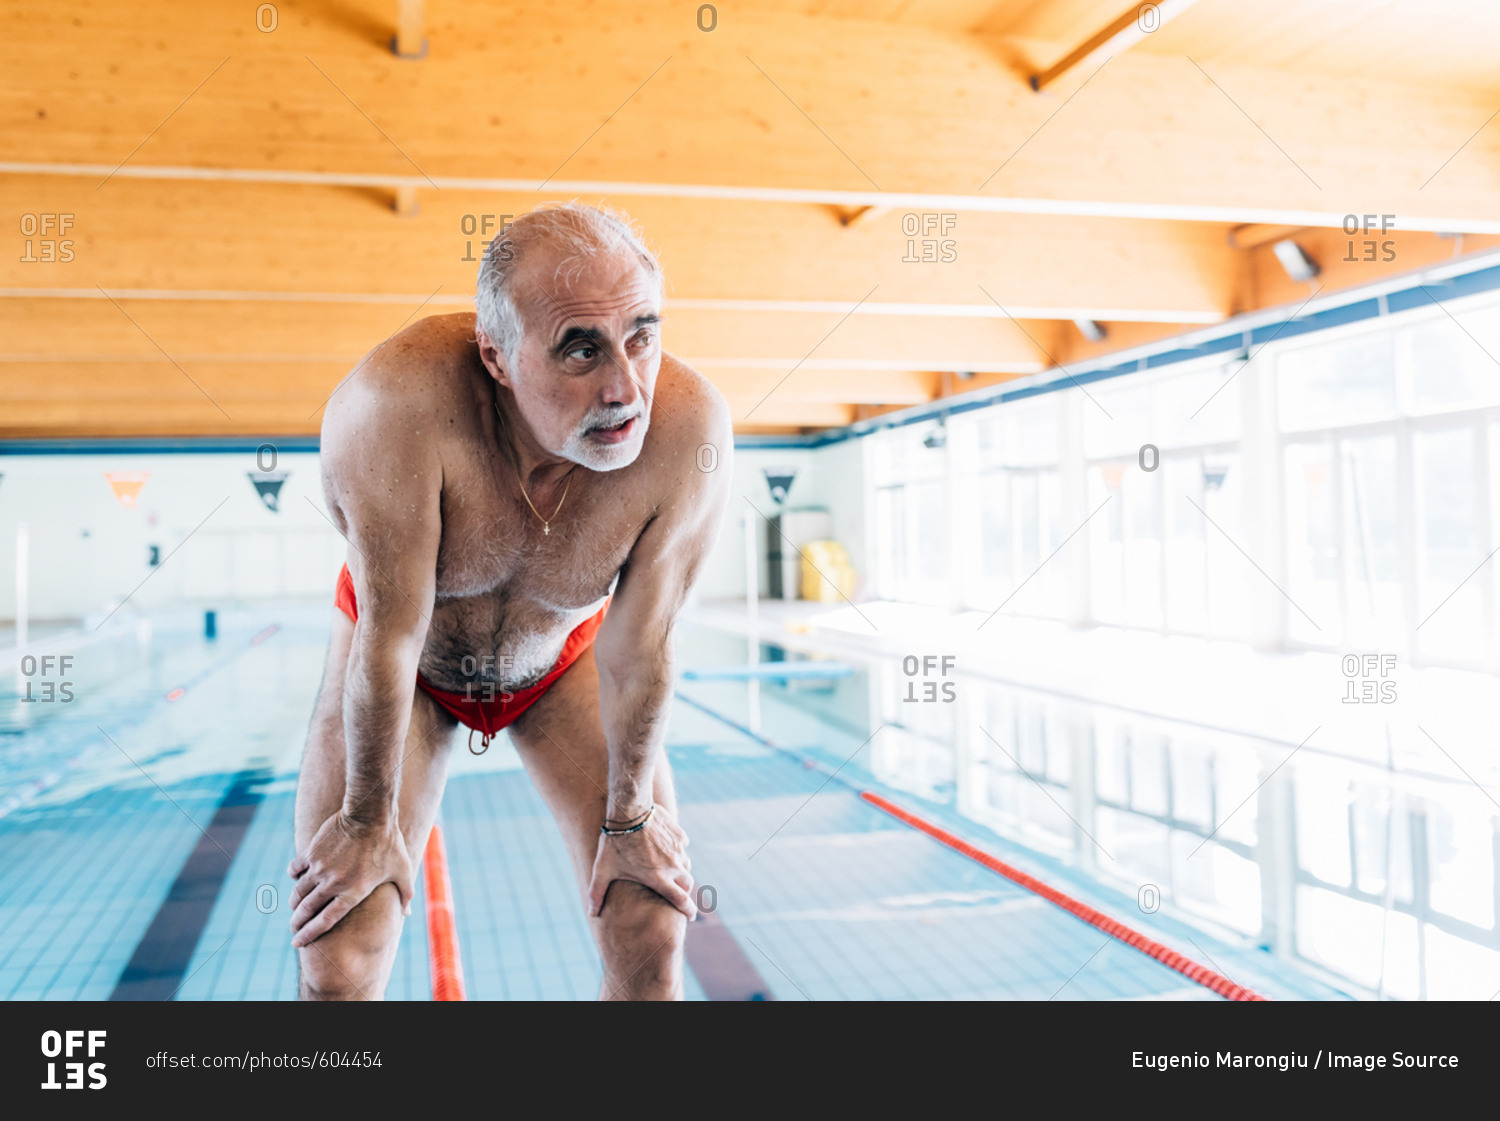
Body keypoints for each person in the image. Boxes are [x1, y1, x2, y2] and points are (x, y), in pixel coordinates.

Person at [289, 203, 732, 999]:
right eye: (581, 349)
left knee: (651, 932)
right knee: (338, 959)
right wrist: (363, 822)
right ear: (495, 356)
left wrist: (630, 823)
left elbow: (643, 650)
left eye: (642, 334)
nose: (626, 387)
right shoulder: (394, 408)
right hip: (409, 671)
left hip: (561, 665)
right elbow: (387, 640)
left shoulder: (686, 436)